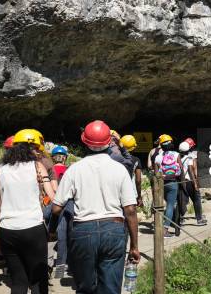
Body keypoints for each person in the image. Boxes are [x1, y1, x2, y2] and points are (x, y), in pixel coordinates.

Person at [49, 120, 140, 294]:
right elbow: (130, 210)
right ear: (109, 142)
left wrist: (52, 231)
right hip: (114, 229)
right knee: (111, 289)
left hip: (83, 230)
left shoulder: (74, 170)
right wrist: (134, 246)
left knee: (85, 288)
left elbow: (56, 209)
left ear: (85, 142)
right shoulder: (119, 169)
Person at [0, 129, 55, 294]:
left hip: (7, 230)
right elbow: (52, 196)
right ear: (31, 148)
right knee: (37, 280)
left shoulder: (2, 170)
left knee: (18, 281)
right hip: (33, 228)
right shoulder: (37, 166)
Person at [49, 145, 74, 278]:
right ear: (65, 158)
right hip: (68, 204)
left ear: (53, 158)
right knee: (65, 235)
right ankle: (63, 265)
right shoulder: (70, 170)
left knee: (52, 235)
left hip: (52, 204)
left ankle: (50, 264)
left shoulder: (49, 169)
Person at [154, 134, 184, 237]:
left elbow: (156, 173)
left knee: (165, 205)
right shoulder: (176, 154)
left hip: (162, 183)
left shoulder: (158, 157)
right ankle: (165, 229)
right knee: (171, 205)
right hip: (173, 182)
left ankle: (167, 223)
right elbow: (181, 169)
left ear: (161, 146)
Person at [178, 139, 207, 226]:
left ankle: (180, 219)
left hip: (181, 181)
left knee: (182, 200)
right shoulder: (190, 157)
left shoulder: (177, 157)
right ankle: (199, 219)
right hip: (189, 181)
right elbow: (191, 170)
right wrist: (195, 183)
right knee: (196, 199)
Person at [121, 134, 143, 207]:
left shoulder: (114, 158)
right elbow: (138, 180)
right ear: (133, 148)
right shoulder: (136, 160)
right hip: (128, 192)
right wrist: (139, 196)